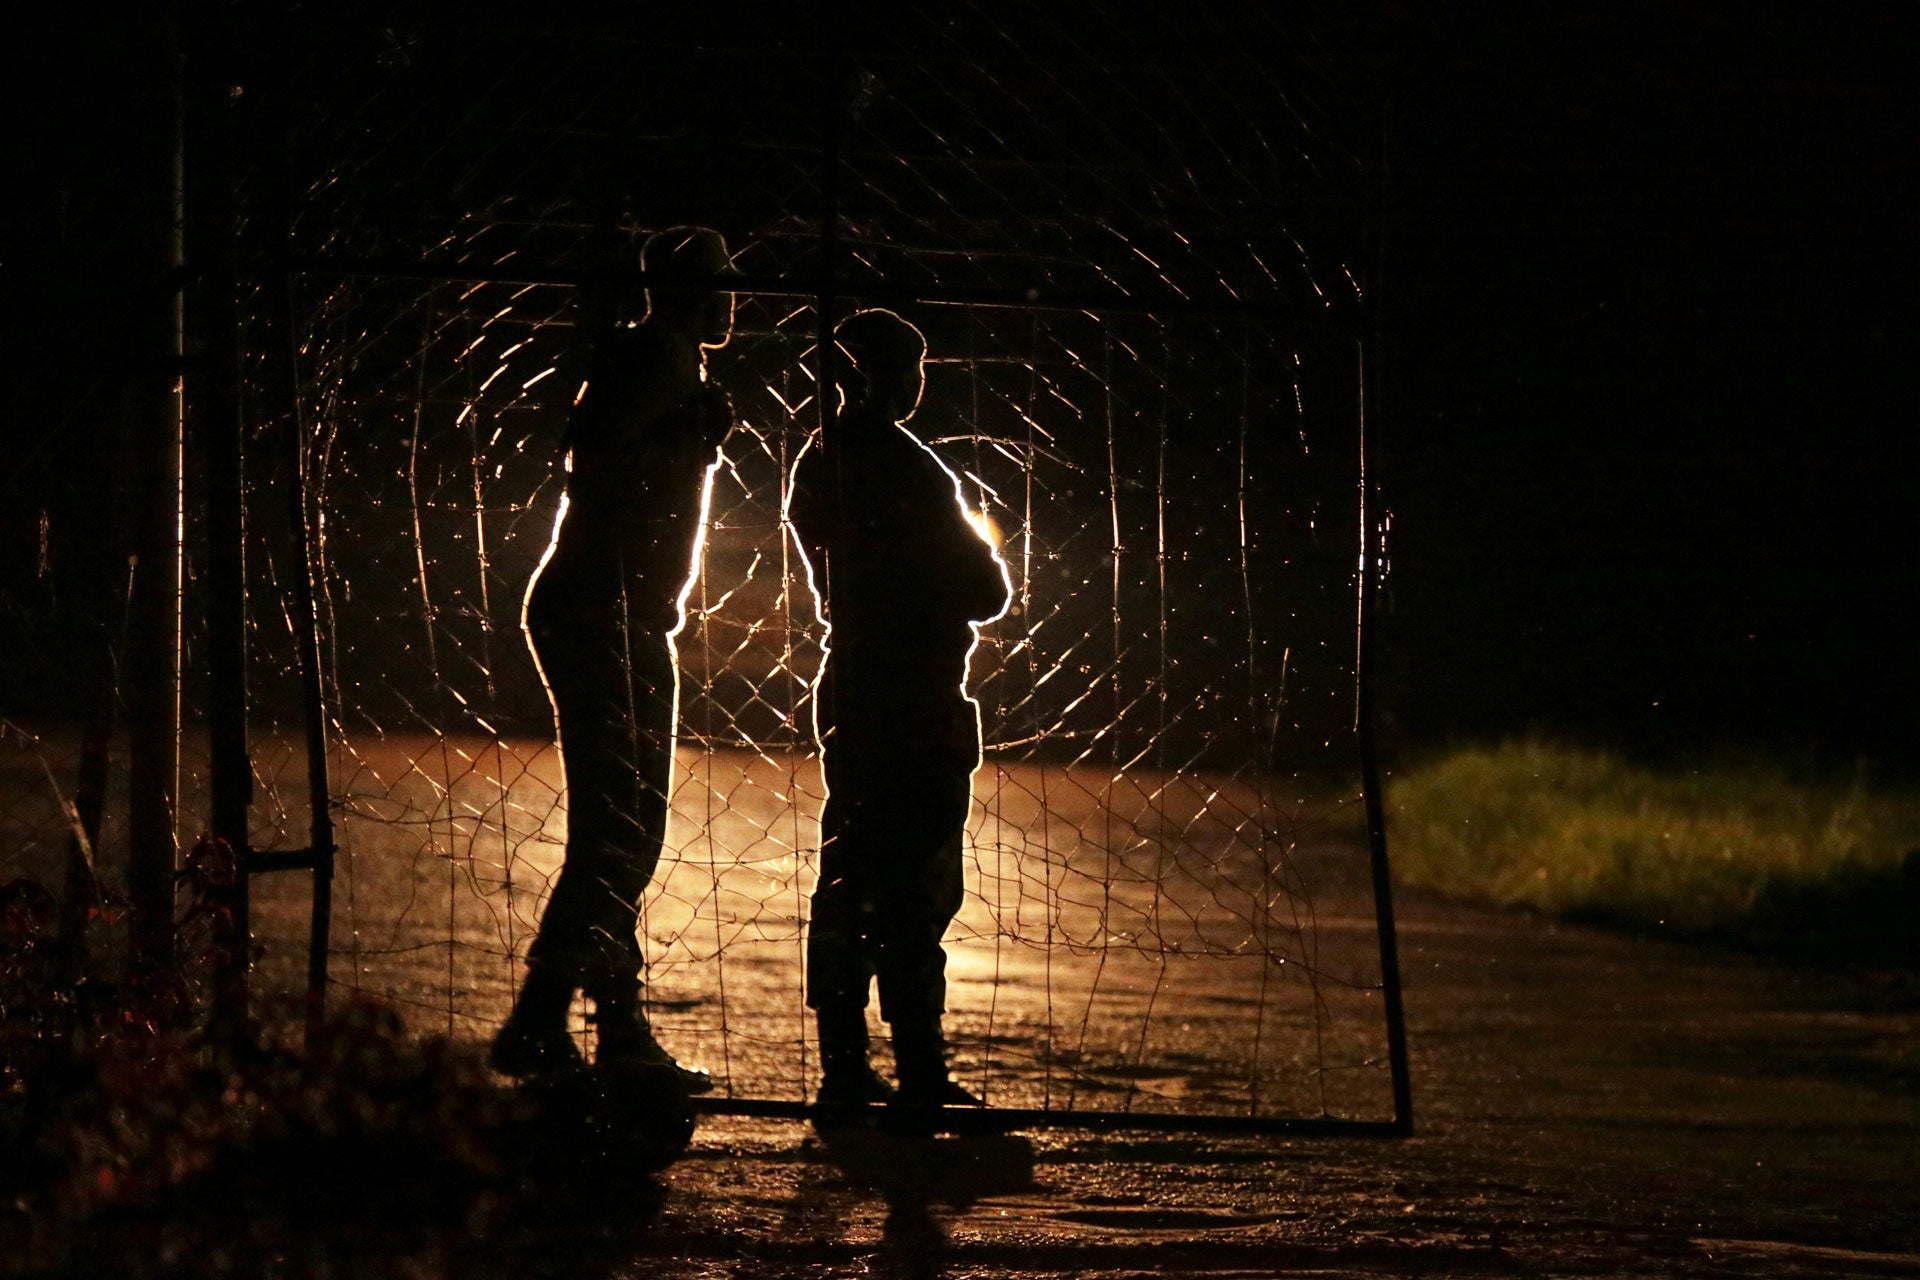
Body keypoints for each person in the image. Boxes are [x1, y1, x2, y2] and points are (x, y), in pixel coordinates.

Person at [490, 227, 739, 1087]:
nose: (731, 296)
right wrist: (681, 428)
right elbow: (597, 458)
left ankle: (570, 1022)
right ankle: (578, 1023)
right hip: (606, 614)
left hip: (623, 616)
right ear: (673, 291)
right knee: (621, 832)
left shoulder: (668, 362)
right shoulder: (652, 361)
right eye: (716, 281)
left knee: (623, 833)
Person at [786, 308, 1011, 1108]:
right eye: (911, 370)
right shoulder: (911, 470)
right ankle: (922, 1069)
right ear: (884, 377)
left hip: (851, 679)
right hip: (916, 693)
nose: (919, 385)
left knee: (849, 875)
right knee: (917, 883)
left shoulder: (821, 461)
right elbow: (988, 590)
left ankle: (844, 1067)